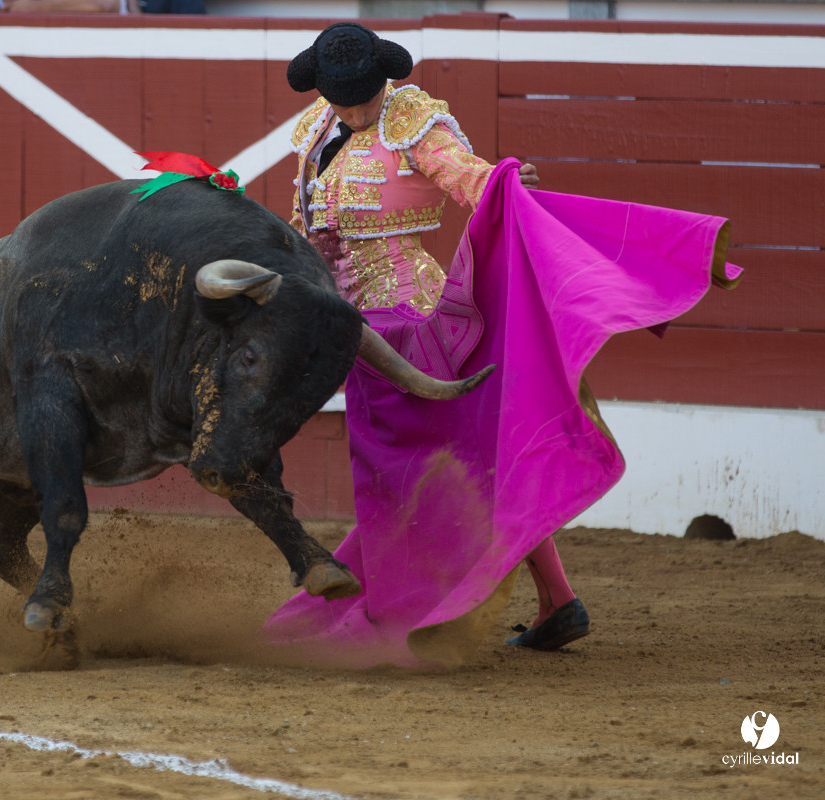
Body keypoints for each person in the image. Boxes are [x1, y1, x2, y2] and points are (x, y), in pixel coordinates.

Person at [265, 22, 738, 668]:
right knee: (466, 462)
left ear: (383, 79)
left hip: (416, 322)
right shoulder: (318, 134)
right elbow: (307, 228)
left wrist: (504, 185)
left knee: (409, 470)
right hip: (358, 329)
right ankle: (557, 601)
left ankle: (400, 609)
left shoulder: (411, 120)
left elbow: (466, 178)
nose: (357, 109)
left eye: (365, 96)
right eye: (344, 99)